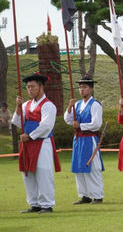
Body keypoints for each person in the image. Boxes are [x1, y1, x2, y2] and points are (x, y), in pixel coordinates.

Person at [13, 72, 61, 214]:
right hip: (27, 143)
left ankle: (46, 203)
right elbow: (17, 122)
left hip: (41, 142)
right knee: (27, 173)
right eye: (28, 87)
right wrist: (17, 106)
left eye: (32, 86)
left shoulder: (48, 105)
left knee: (43, 172)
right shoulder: (26, 104)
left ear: (41, 87)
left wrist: (31, 136)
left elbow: (46, 126)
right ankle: (34, 203)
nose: (30, 90)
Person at [63, 75, 104, 205]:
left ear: (91, 89)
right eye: (80, 87)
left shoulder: (95, 105)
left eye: (85, 87)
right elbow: (68, 120)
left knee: (92, 167)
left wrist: (80, 125)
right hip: (78, 139)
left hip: (89, 138)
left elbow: (96, 124)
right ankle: (85, 195)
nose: (82, 90)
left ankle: (97, 195)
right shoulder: (78, 104)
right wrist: (69, 107)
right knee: (79, 167)